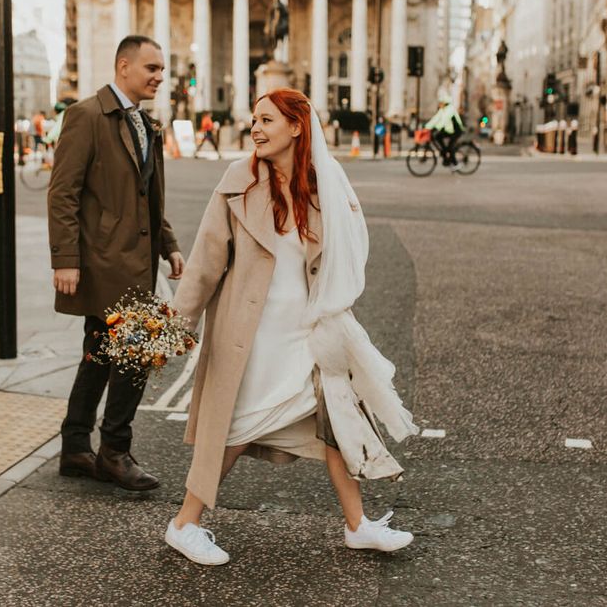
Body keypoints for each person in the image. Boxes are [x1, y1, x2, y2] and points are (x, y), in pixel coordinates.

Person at [164, 88, 418, 566]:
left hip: (306, 331)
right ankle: (185, 523)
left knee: (335, 419)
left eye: (267, 120)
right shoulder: (237, 182)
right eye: (254, 120)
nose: (255, 129)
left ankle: (358, 525)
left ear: (297, 127)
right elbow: (204, 263)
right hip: (252, 335)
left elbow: (346, 254)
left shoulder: (323, 187)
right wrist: (177, 325)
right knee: (237, 429)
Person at [48, 35, 185, 491]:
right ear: (123, 66)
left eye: (162, 69)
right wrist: (65, 259)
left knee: (100, 353)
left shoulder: (147, 122)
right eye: (151, 68)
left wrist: (168, 245)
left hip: (137, 260)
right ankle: (113, 451)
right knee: (137, 352)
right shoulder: (86, 116)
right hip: (104, 261)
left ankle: (74, 448)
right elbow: (63, 192)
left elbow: (151, 196)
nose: (159, 77)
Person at [425, 94, 464, 171]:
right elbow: (436, 118)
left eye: (441, 102)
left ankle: (456, 164)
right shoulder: (443, 109)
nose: (439, 104)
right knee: (437, 137)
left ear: (445, 103)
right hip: (449, 131)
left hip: (456, 131)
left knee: (450, 146)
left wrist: (435, 128)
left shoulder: (450, 109)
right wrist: (427, 127)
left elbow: (443, 121)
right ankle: (444, 152)